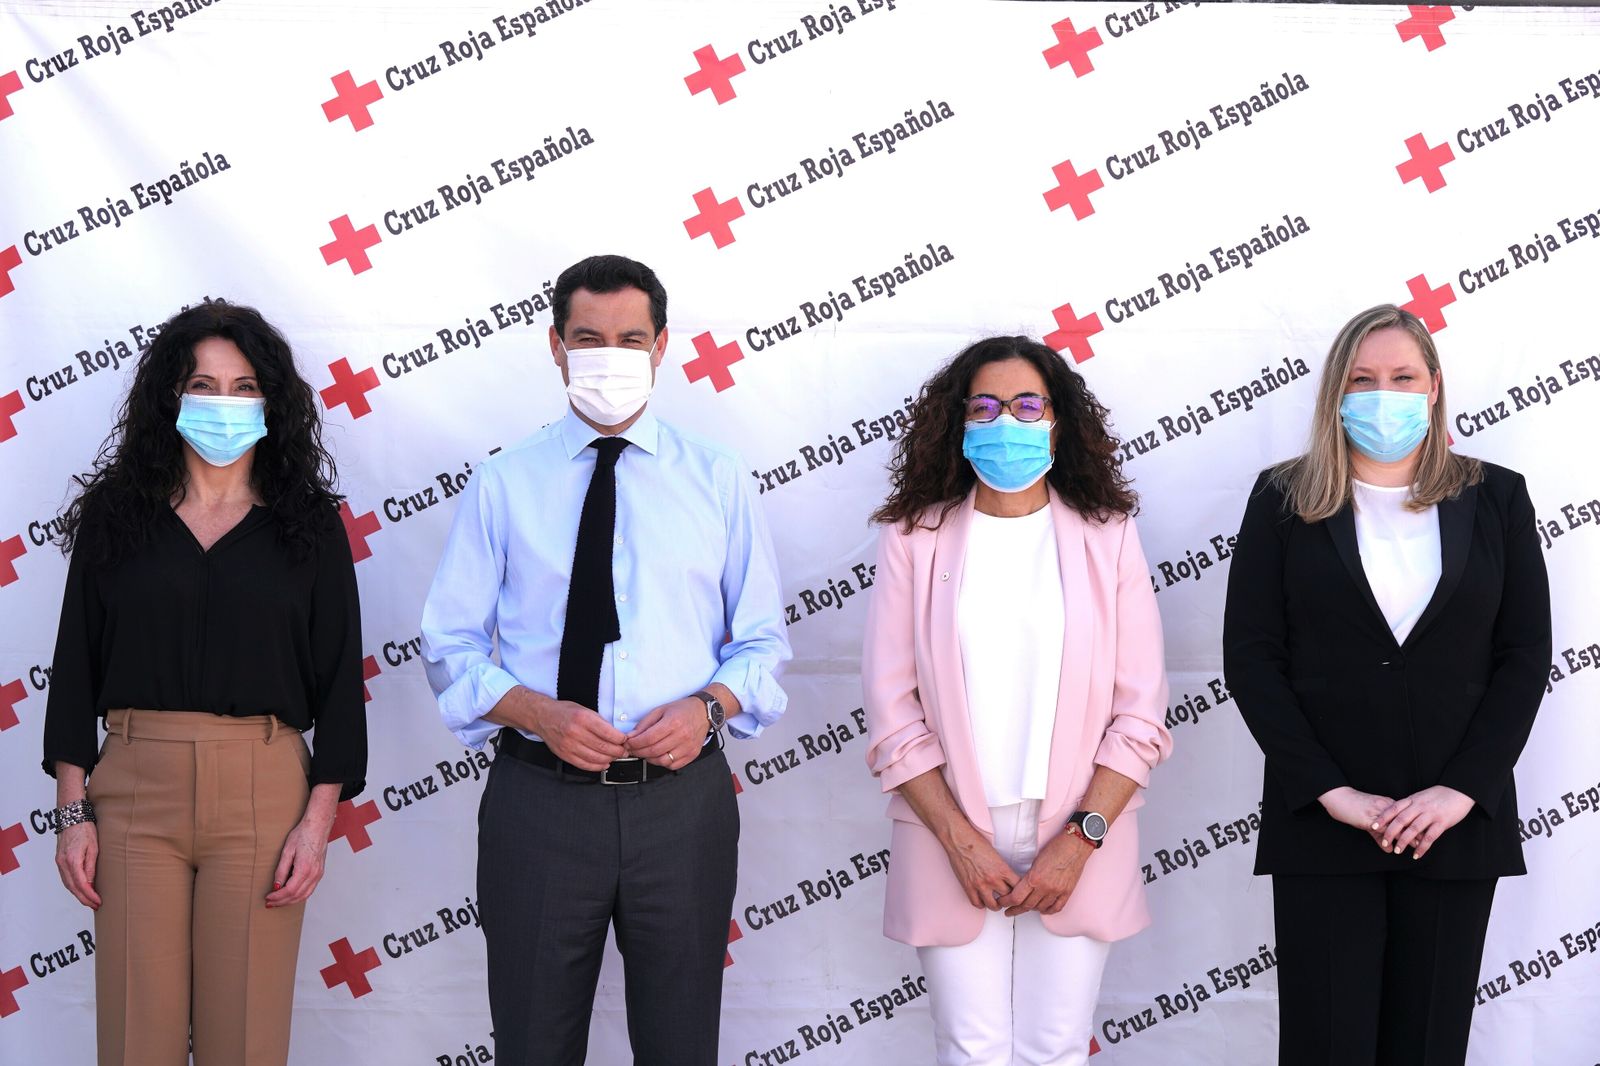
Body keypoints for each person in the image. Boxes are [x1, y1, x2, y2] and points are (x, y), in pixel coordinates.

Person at [420, 254, 791, 1065]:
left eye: (630, 339)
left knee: (680, 1044)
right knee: (533, 1044)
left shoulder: (718, 480)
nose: (609, 357)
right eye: (589, 339)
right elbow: (447, 644)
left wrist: (707, 709)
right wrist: (536, 713)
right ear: (555, 345)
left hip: (681, 807)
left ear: (662, 347)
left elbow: (762, 641)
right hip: (539, 803)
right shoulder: (504, 481)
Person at [1222, 304, 1551, 1066]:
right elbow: (1253, 659)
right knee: (1324, 1046)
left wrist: (1462, 790)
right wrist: (1331, 793)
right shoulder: (1282, 500)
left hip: (1454, 823)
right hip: (1324, 824)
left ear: (1434, 387)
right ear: (1336, 394)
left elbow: (1525, 656)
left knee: (1429, 1047)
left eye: (1402, 377)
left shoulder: (1497, 497)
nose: (1383, 395)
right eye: (1363, 379)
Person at [42, 299, 367, 1066]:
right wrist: (71, 813)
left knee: (244, 1041)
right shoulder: (117, 517)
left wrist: (317, 825)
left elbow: (339, 687)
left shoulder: (308, 525)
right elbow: (76, 667)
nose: (224, 405)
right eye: (203, 385)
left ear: (271, 402)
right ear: (169, 397)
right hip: (132, 791)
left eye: (244, 387)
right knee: (135, 1039)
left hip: (263, 791)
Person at [861, 335, 1172, 1066]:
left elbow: (1140, 713)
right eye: (987, 406)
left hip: (1080, 832)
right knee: (969, 1048)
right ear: (958, 422)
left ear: (1058, 421)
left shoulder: (1108, 537)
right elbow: (890, 708)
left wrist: (1080, 838)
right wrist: (961, 842)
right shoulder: (914, 539)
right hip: (948, 831)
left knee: (1056, 1048)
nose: (1009, 420)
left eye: (1028, 404)